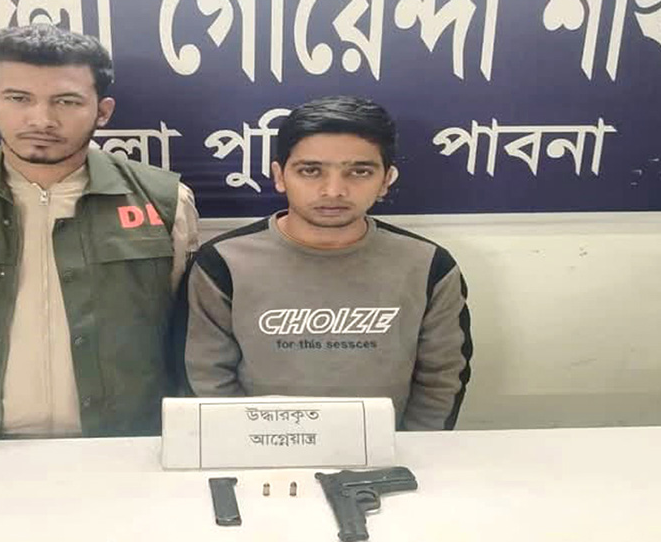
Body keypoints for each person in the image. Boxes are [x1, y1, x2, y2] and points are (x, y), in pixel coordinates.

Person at [0, 24, 199, 440]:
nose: (41, 119)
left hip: (127, 443)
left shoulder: (164, 200)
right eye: (18, 98)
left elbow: (191, 337)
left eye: (66, 101)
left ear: (102, 111)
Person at [181, 96, 471, 430]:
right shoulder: (223, 263)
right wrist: (250, 445)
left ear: (386, 180)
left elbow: (441, 380)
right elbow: (206, 378)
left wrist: (410, 449)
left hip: (388, 452)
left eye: (359, 171)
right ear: (279, 175)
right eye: (311, 171)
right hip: (257, 450)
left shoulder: (429, 266)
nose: (334, 190)